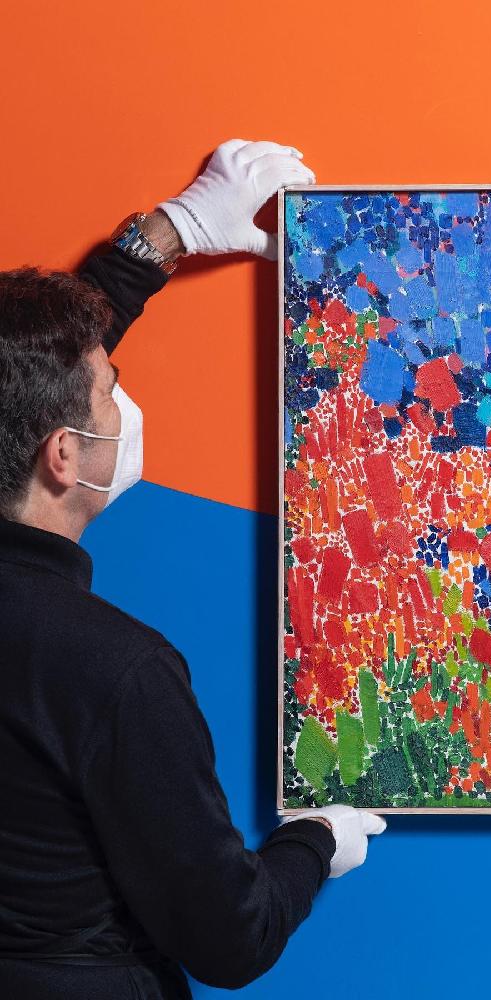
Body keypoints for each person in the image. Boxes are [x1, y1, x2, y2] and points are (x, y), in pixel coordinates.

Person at [0, 139, 387, 1000]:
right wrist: (314, 843)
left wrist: (163, 237)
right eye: (110, 391)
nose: (123, 405)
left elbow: (22, 376)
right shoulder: (115, 671)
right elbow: (230, 938)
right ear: (63, 454)